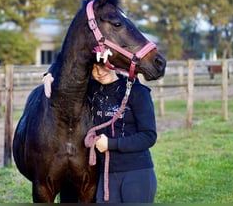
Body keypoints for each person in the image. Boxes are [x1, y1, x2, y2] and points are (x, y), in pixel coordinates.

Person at [43, 63, 157, 203]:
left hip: (135, 171)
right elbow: (70, 57)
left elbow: (148, 136)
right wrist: (49, 74)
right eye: (94, 68)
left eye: (104, 66)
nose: (99, 72)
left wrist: (110, 144)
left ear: (114, 65)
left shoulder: (137, 92)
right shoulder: (92, 89)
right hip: (105, 175)